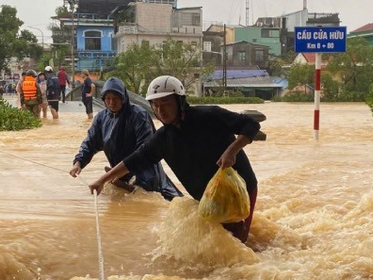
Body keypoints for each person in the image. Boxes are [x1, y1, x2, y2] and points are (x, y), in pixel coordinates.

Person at [89, 75, 260, 243]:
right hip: (207, 198)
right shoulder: (162, 139)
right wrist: (102, 180)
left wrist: (231, 151)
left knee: (236, 245)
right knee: (214, 244)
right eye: (155, 105)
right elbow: (134, 160)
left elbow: (251, 125)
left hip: (239, 190)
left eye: (166, 104)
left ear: (180, 102)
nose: (160, 111)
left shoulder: (209, 116)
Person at [70, 77, 181, 199]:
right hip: (118, 173)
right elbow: (90, 143)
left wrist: (109, 177)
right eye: (108, 99)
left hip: (145, 174)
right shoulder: (101, 118)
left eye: (116, 98)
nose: (112, 102)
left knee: (154, 198)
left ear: (123, 98)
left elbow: (144, 151)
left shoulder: (139, 115)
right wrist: (78, 163)